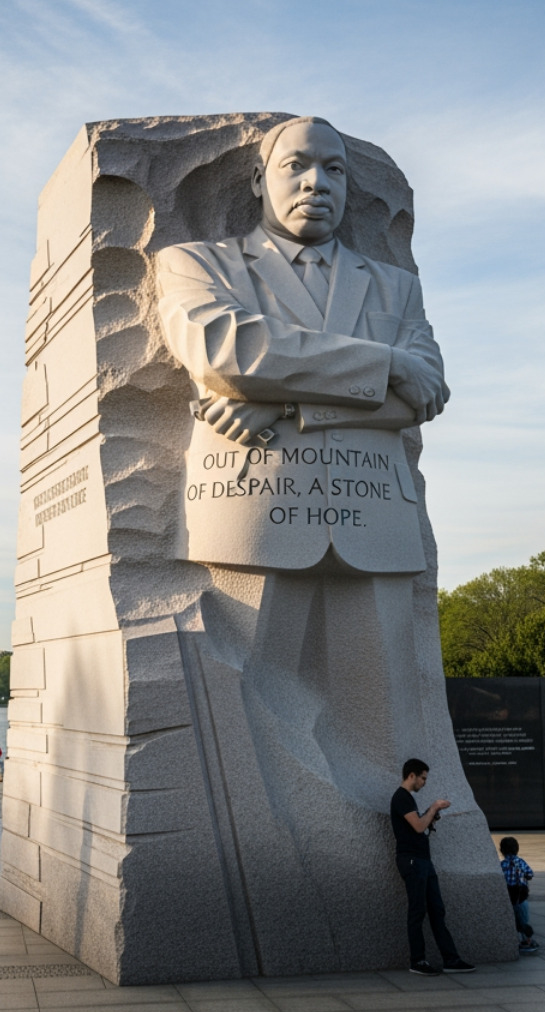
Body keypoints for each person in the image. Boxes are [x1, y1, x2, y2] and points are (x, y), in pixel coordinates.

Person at [154, 114, 459, 961]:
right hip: (254, 513)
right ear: (259, 179)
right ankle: (250, 889)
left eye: (334, 169)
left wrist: (285, 402)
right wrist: (372, 372)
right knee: (248, 722)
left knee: (392, 717)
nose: (316, 183)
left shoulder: (394, 286)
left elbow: (425, 389)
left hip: (375, 520)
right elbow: (221, 346)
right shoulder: (196, 264)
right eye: (296, 166)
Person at [390, 758, 473, 976]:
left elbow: (419, 825)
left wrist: (430, 816)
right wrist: (434, 806)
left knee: (437, 910)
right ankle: (417, 961)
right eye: (423, 778)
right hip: (412, 861)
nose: (424, 782)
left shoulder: (409, 799)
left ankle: (451, 959)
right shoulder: (401, 798)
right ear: (411, 776)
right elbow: (417, 826)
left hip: (423, 861)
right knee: (417, 911)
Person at [498, 836, 537, 953]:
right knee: (523, 919)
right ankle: (527, 941)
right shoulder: (521, 862)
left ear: (501, 851)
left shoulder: (501, 864)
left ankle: (511, 939)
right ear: (517, 849)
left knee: (511, 918)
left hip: (508, 897)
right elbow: (530, 874)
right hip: (521, 897)